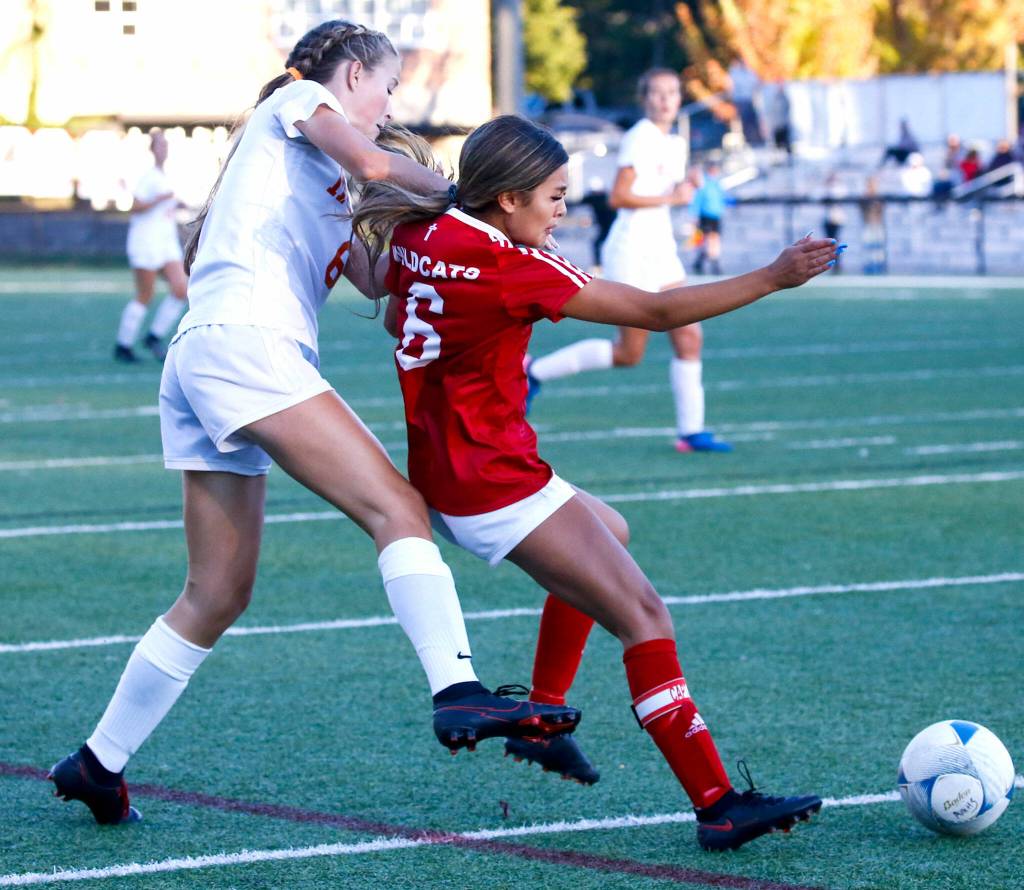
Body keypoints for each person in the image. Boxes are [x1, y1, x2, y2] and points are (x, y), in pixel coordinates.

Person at [48, 22, 579, 828]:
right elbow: (371, 161)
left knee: (218, 591)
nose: (388, 105)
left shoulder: (322, 183)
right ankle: (458, 691)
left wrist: (450, 253)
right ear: (354, 72)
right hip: (248, 347)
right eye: (388, 87)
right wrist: (461, 201)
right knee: (396, 508)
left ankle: (96, 763)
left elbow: (379, 280)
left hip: (208, 356)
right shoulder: (303, 100)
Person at [354, 114, 836, 851]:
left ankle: (544, 718)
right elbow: (654, 310)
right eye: (554, 196)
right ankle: (717, 804)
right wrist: (773, 276)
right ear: (508, 200)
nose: (563, 210)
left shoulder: (427, 235)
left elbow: (396, 318)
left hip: (451, 472)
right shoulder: (514, 266)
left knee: (608, 528)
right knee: (645, 616)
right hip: (495, 482)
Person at [524, 69, 733, 455]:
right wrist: (674, 198)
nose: (665, 99)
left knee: (689, 335)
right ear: (645, 98)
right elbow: (620, 197)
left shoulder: (673, 141)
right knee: (629, 352)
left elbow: (665, 189)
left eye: (671, 92)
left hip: (660, 250)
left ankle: (692, 431)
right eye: (656, 93)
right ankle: (533, 372)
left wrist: (688, 186)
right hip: (632, 250)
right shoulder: (640, 136)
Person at [114, 129, 189, 363]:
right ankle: (123, 344)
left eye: (166, 145)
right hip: (145, 242)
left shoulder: (165, 176)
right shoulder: (148, 178)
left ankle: (154, 336)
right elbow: (135, 207)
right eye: (159, 145)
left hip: (165, 242)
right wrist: (159, 200)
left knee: (182, 289)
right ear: (152, 149)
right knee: (145, 293)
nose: (163, 149)